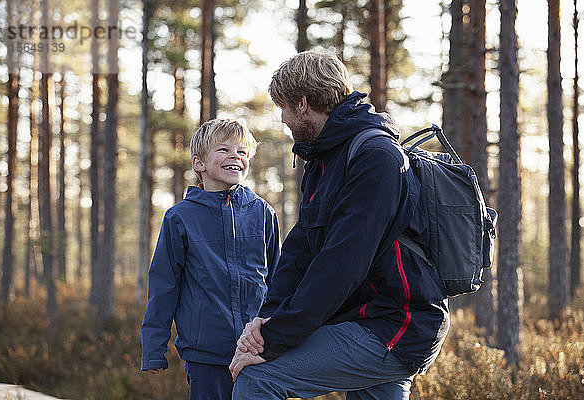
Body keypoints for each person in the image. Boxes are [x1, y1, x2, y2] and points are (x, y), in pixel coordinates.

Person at [228, 51, 450, 400]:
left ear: (302, 103)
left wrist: (272, 341)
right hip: (359, 318)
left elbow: (342, 264)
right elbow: (300, 250)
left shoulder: (376, 156)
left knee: (259, 378)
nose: (283, 118)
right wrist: (266, 320)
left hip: (395, 325)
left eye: (284, 107)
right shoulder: (324, 157)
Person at [141, 119, 281, 400]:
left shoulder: (262, 213)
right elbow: (164, 287)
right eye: (224, 149)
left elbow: (278, 280)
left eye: (242, 152)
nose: (235, 156)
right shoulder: (180, 217)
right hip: (207, 355)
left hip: (257, 350)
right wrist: (153, 349)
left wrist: (283, 335)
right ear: (199, 164)